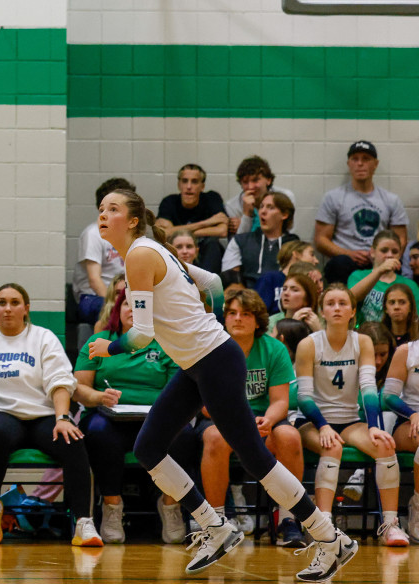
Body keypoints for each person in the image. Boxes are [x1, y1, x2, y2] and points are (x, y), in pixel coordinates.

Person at [88, 189, 356, 581]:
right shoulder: (150, 251)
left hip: (214, 360)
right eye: (100, 209)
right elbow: (213, 281)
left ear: (132, 221)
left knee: (254, 458)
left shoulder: (140, 255)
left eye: (113, 208)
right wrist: (206, 320)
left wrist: (108, 346)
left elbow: (141, 335)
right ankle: (215, 527)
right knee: (148, 447)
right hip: (199, 363)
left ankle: (331, 540)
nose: (103, 214)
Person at [0, 282, 101, 546]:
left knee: (73, 439)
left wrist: (63, 418)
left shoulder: (43, 338)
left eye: (15, 302)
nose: (8, 308)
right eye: (2, 303)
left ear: (26, 308)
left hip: (42, 416)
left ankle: (83, 523)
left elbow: (61, 381)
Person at [293, 283, 407, 545]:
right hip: (311, 420)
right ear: (322, 310)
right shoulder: (308, 344)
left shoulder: (362, 341)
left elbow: (369, 389)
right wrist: (322, 425)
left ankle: (390, 525)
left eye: (342, 303)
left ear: (353, 310)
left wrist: (375, 426)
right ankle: (324, 525)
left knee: (384, 446)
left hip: (349, 420)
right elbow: (304, 397)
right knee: (331, 447)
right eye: (330, 303)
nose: (336, 308)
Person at [74, 288, 188, 545]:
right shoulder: (100, 340)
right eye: (127, 304)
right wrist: (99, 397)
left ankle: (170, 506)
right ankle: (112, 507)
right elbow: (79, 388)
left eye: (140, 306)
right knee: (99, 432)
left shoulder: (166, 343)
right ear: (118, 310)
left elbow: (177, 391)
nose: (132, 310)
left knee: (185, 434)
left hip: (156, 420)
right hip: (110, 418)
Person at [197, 291, 306, 547]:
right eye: (232, 313)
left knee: (289, 436)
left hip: (262, 420)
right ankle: (217, 523)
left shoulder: (274, 349)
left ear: (258, 321)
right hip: (222, 419)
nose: (238, 319)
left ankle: (288, 519)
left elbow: (281, 400)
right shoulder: (209, 348)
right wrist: (239, 424)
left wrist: (268, 420)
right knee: (214, 437)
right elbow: (203, 406)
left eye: (246, 314)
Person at [315, 141, 408, 285]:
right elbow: (321, 239)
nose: (360, 163)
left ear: (375, 164)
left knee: (394, 266)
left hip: (378, 260)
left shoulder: (391, 200)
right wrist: (349, 254)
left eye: (366, 159)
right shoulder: (333, 197)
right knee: (339, 264)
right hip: (346, 261)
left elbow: (401, 238)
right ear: (349, 164)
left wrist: (381, 256)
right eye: (355, 159)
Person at [72, 178, 136, 324]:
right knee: (112, 311)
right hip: (93, 297)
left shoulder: (131, 234)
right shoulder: (93, 233)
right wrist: (116, 304)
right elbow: (94, 280)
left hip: (125, 295)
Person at [154, 164, 228, 274]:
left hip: (205, 254)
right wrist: (208, 222)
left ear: (202, 186)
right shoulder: (169, 202)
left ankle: (206, 288)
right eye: (184, 181)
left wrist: (176, 231)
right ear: (179, 184)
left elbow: (222, 231)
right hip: (177, 253)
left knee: (213, 245)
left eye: (194, 181)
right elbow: (163, 234)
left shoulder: (212, 198)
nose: (189, 186)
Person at [381, 332, 419, 539]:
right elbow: (389, 396)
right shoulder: (407, 351)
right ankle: (417, 509)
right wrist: (413, 414)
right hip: (408, 423)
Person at [221, 192, 299, 289]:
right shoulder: (240, 241)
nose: (263, 211)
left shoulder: (294, 245)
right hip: (247, 298)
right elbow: (230, 279)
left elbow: (301, 279)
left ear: (284, 214)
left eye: (270, 207)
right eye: (261, 207)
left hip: (282, 297)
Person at [348, 231, 419, 326]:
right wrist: (379, 271)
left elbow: (415, 319)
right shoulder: (357, 276)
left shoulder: (410, 285)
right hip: (363, 335)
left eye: (395, 252)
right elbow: (350, 299)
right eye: (384, 250)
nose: (389, 255)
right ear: (372, 252)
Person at [224, 156, 295, 236]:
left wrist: (242, 224)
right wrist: (247, 216)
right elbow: (238, 244)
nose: (250, 187)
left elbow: (289, 232)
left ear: (268, 180)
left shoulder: (285, 196)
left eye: (255, 180)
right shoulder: (232, 206)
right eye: (245, 182)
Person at [256, 240, 319, 315]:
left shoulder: (312, 282)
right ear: (296, 254)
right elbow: (258, 310)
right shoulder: (271, 278)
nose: (316, 261)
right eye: (312, 254)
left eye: (295, 289)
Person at [381, 282, 419, 346]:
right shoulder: (378, 334)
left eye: (402, 302)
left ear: (410, 307)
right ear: (385, 308)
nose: (396, 307)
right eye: (392, 302)